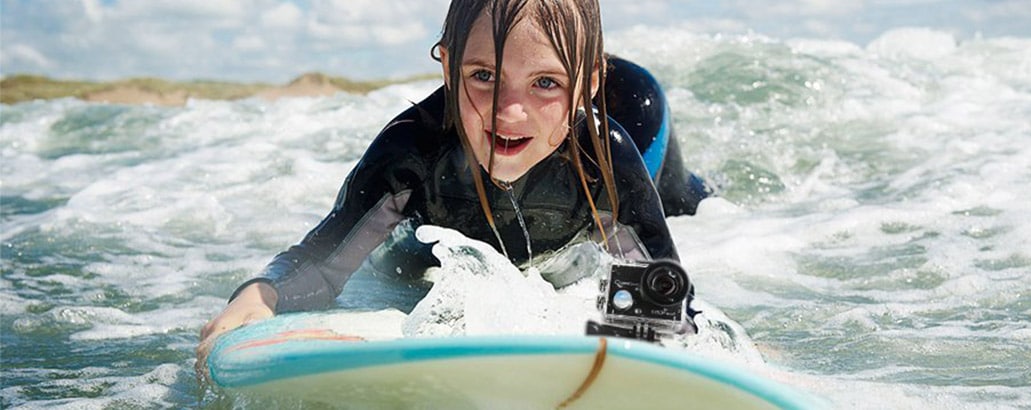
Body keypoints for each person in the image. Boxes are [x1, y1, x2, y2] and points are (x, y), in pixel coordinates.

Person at [197, 0, 710, 361]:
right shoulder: (411, 151)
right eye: (483, 76)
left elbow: (660, 298)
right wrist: (261, 294)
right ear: (448, 66)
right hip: (420, 255)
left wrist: (646, 352)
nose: (508, 113)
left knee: (688, 204)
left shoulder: (605, 161)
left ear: (588, 87)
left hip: (618, 180)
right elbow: (322, 264)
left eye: (545, 83)